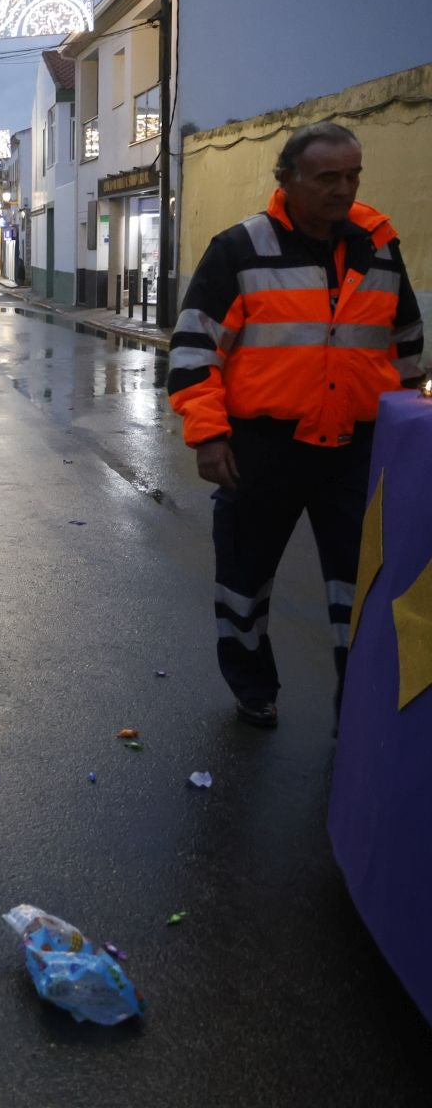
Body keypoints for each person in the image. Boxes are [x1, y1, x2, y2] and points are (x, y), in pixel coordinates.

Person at [167, 121, 424, 729]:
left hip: (357, 452)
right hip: (261, 450)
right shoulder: (240, 249)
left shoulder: (380, 248)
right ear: (286, 179)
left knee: (359, 588)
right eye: (327, 177)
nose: (343, 189)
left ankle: (355, 710)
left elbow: (407, 345)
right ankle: (253, 687)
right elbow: (194, 350)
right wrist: (208, 434)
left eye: (353, 175)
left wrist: (412, 434)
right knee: (243, 581)